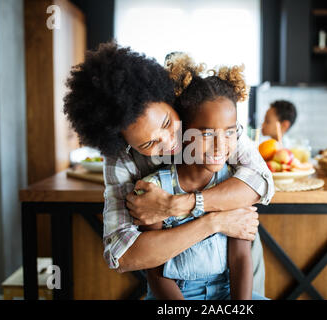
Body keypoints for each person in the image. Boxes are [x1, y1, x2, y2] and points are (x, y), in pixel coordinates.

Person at [63, 42, 274, 296]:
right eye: (148, 143)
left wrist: (178, 206)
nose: (168, 141)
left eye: (166, 122)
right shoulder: (120, 160)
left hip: (235, 266)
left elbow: (261, 181)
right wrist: (215, 222)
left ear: (168, 99)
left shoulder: (209, 122)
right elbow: (123, 254)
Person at [138, 54, 265, 300]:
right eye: (206, 134)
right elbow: (155, 272)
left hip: (226, 293)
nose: (220, 145)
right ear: (182, 132)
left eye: (229, 132)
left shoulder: (233, 185)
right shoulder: (155, 190)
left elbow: (240, 258)